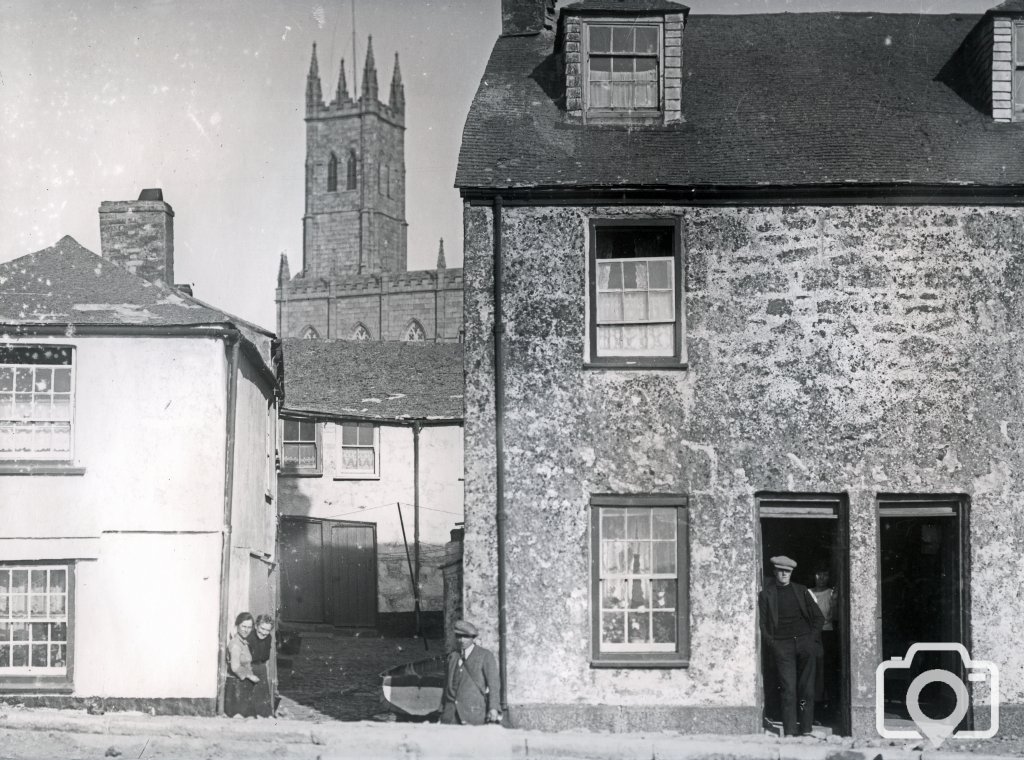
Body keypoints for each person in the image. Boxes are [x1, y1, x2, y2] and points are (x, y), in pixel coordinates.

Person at [758, 556, 825, 737]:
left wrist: (810, 640)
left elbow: (819, 618)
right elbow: (762, 625)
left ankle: (805, 728)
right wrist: (773, 644)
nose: (784, 574)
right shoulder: (766, 595)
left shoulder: (801, 591)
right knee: (788, 688)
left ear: (791, 573)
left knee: (806, 689)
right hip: (782, 646)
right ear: (774, 572)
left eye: (787, 571)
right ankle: (790, 731)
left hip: (804, 644)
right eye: (780, 571)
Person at [439, 619, 501, 725]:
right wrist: (442, 710)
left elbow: (494, 685)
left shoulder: (485, 656)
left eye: (466, 637)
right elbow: (446, 686)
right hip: (450, 715)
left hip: (473, 714)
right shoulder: (452, 657)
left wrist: (493, 708)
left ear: (473, 637)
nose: (462, 640)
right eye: (459, 636)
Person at [809, 569, 839, 720]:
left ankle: (828, 709)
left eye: (825, 574)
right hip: (811, 636)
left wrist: (834, 602)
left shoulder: (831, 593)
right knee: (813, 673)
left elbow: (835, 616)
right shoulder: (807, 593)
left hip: (827, 635)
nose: (821, 577)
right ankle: (813, 709)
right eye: (818, 573)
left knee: (826, 671)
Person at [225, 612, 260, 717]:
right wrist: (250, 676)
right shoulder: (236, 644)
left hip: (244, 686)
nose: (246, 630)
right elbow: (235, 667)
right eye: (244, 626)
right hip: (237, 687)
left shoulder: (243, 643)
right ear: (237, 626)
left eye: (249, 627)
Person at [246, 614, 275, 718]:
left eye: (267, 630)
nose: (264, 632)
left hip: (261, 666)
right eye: (262, 628)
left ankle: (265, 715)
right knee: (251, 693)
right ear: (256, 626)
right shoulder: (249, 638)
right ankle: (252, 715)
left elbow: (265, 656)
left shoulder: (268, 638)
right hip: (249, 667)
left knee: (263, 693)